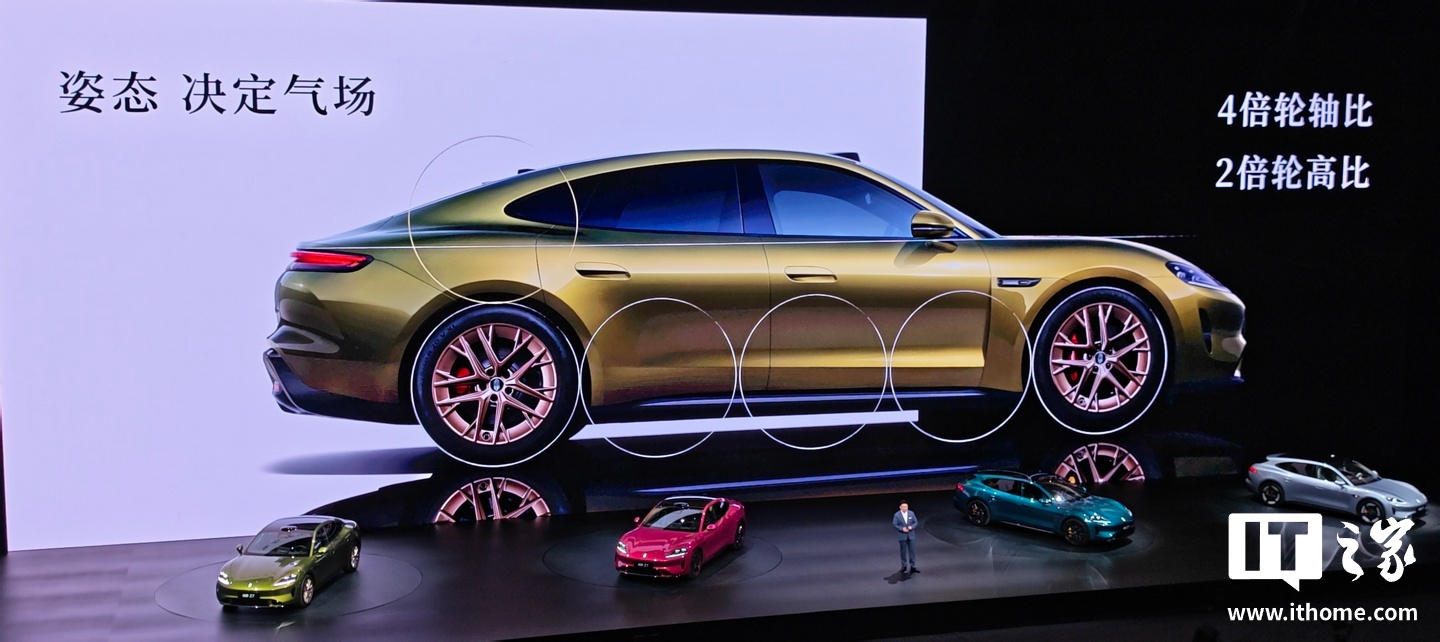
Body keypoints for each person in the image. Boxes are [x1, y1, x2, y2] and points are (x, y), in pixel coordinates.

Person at [893, 501, 919, 574]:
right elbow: (894, 524)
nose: (905, 508)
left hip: (911, 536)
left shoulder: (911, 513)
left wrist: (911, 527)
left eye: (906, 507)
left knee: (912, 552)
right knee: (903, 552)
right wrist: (902, 529)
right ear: (900, 507)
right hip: (902, 536)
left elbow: (915, 522)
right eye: (903, 507)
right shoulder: (897, 515)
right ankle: (904, 566)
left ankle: (913, 566)